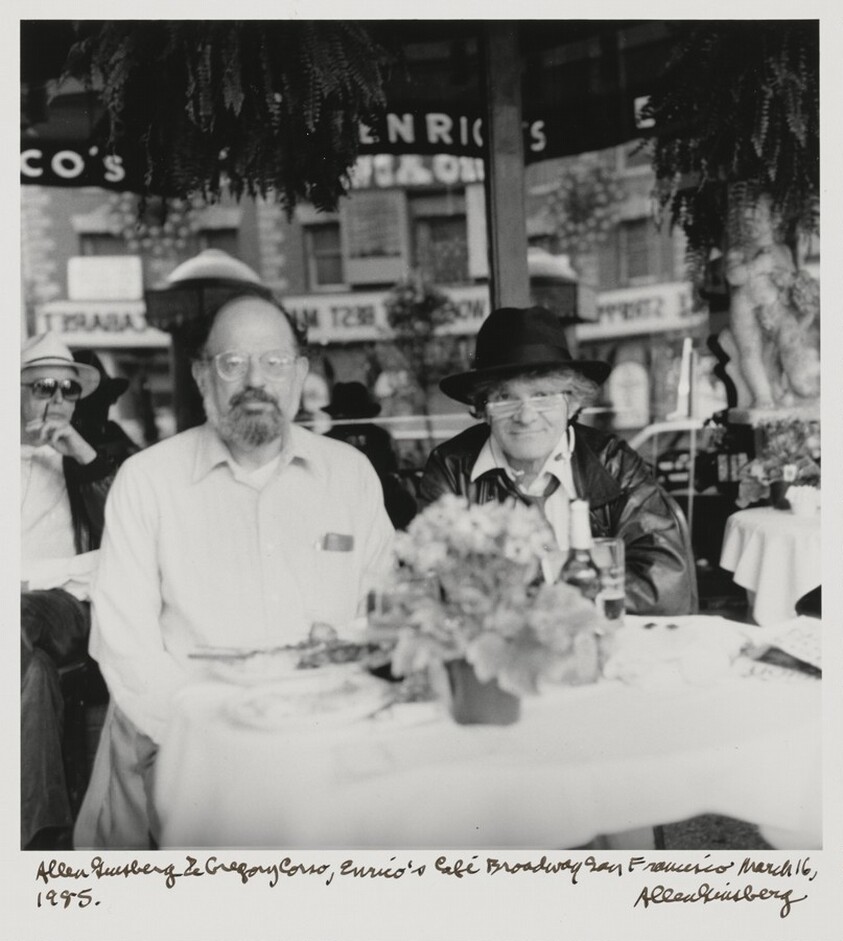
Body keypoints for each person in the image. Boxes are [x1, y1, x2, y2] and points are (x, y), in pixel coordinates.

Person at [75, 294, 394, 849]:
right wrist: (209, 744)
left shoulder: (352, 476)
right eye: (232, 363)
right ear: (203, 377)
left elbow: (381, 618)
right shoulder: (146, 481)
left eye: (274, 362)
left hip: (326, 740)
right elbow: (125, 645)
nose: (255, 380)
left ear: (299, 373)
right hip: (182, 747)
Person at [419, 306, 697, 616]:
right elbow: (432, 583)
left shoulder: (612, 461)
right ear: (483, 408)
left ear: (572, 401)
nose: (525, 416)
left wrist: (548, 595)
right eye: (505, 397)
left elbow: (664, 584)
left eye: (542, 395)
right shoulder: (451, 468)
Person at [20, 333, 119, 849]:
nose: (57, 401)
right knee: (30, 672)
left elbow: (129, 531)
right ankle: (42, 833)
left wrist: (83, 456)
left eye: (68, 391)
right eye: (43, 389)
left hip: (67, 604)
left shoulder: (90, 457)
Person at [324, 381, 416, 528]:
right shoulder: (327, 440)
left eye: (354, 414)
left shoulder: (380, 437)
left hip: (379, 507)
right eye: (345, 415)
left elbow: (390, 475)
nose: (350, 420)